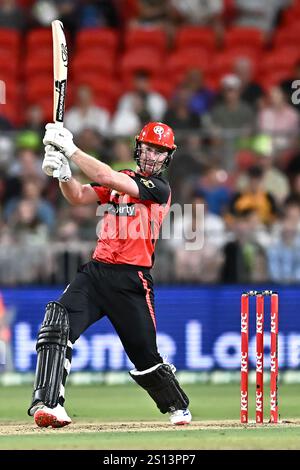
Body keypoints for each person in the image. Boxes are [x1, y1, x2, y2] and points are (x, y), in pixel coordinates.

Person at [27, 121, 192, 428]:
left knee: (145, 357)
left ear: (167, 158)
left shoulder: (160, 189)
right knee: (57, 323)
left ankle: (177, 405)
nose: (152, 156)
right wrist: (63, 172)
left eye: (160, 152)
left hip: (132, 281)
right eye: (148, 148)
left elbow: (104, 175)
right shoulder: (123, 179)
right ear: (138, 148)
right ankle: (48, 403)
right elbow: (77, 196)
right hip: (96, 273)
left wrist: (70, 149)